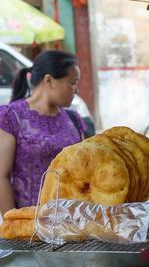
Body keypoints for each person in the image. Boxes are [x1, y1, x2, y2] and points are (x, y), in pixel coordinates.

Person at [0, 50, 86, 215]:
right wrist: (13, 223)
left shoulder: (73, 119)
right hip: (29, 226)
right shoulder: (11, 117)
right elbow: (1, 177)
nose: (76, 90)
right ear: (49, 80)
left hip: (71, 224)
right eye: (72, 82)